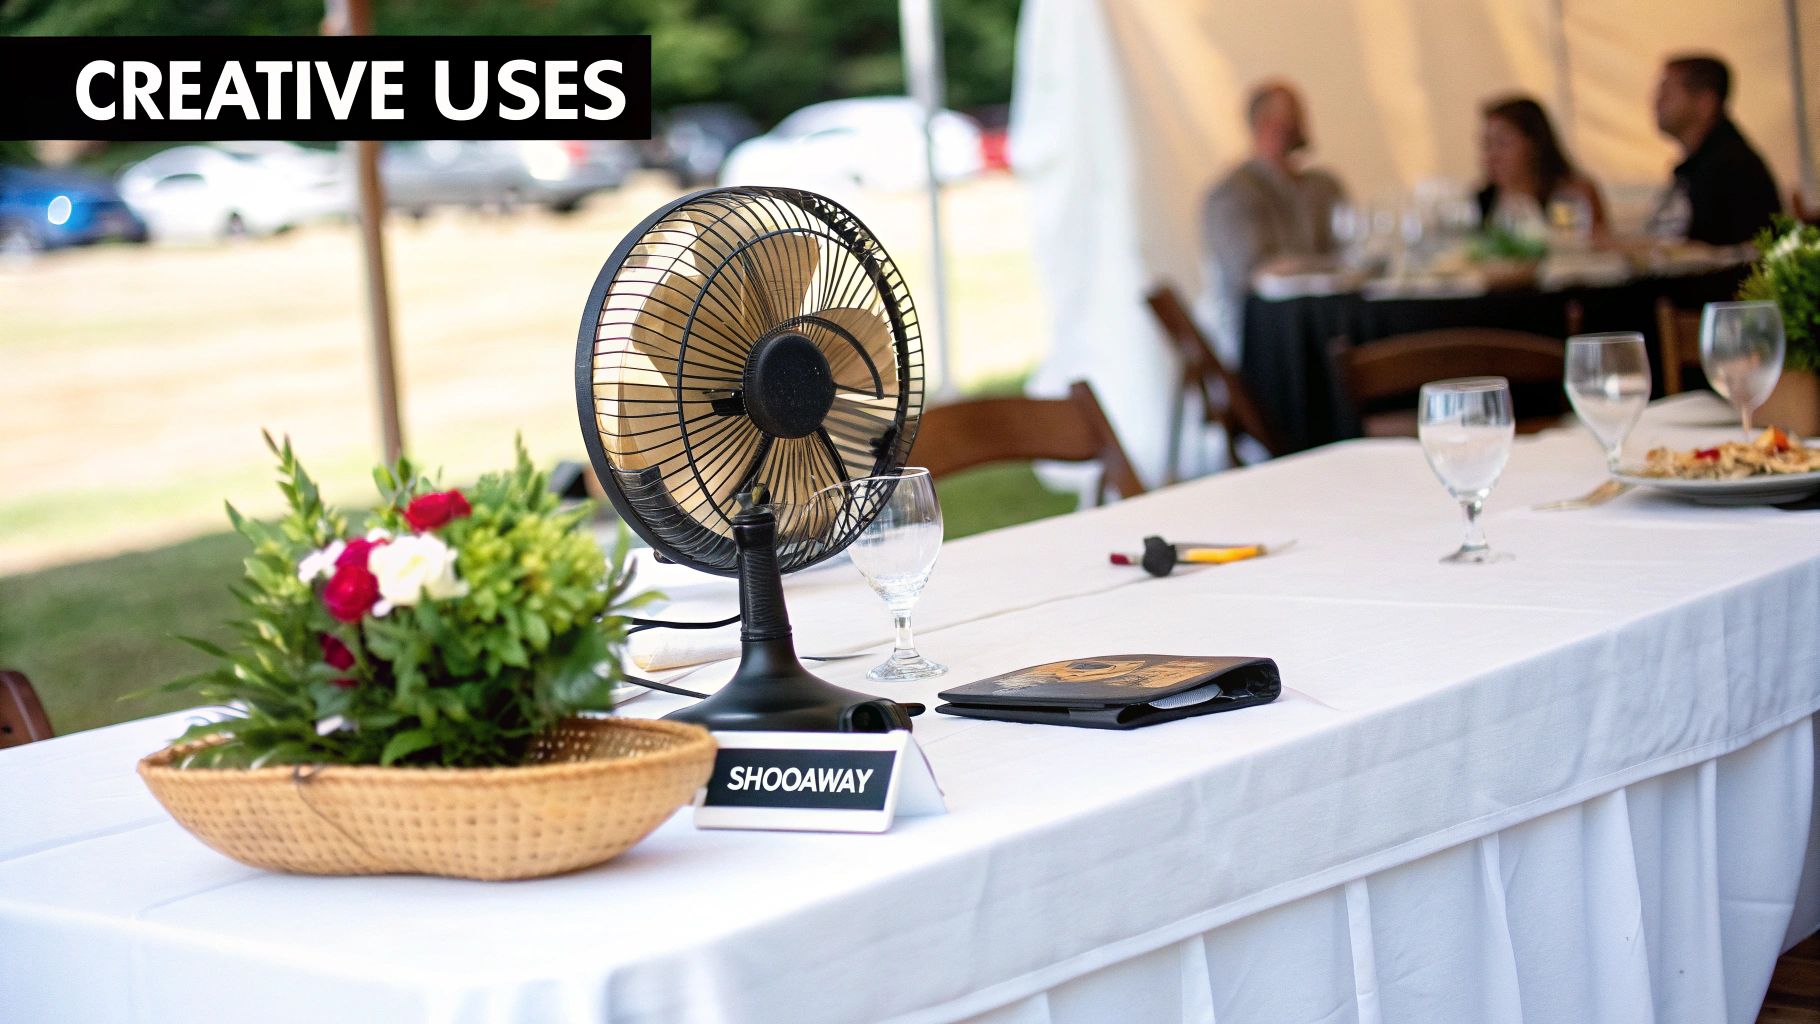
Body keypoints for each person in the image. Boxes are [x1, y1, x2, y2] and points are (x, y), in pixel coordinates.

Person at [1199, 80, 1347, 366]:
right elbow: (1256, 272)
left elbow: (1353, 249)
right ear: (1263, 123)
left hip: (1325, 326)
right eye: (1289, 116)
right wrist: (1326, 266)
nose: (1298, 124)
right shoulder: (1232, 194)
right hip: (1264, 340)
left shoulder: (1322, 186)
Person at [1647, 54, 1781, 245]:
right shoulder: (1701, 165)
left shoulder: (1730, 168)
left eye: (1667, 94)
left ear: (1705, 103)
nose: (1657, 102)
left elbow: (1705, 253)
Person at [1476, 95, 1607, 241]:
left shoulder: (1567, 195)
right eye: (1487, 145)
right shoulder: (1484, 201)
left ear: (1534, 144)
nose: (1492, 156)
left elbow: (1569, 243)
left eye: (1503, 143)